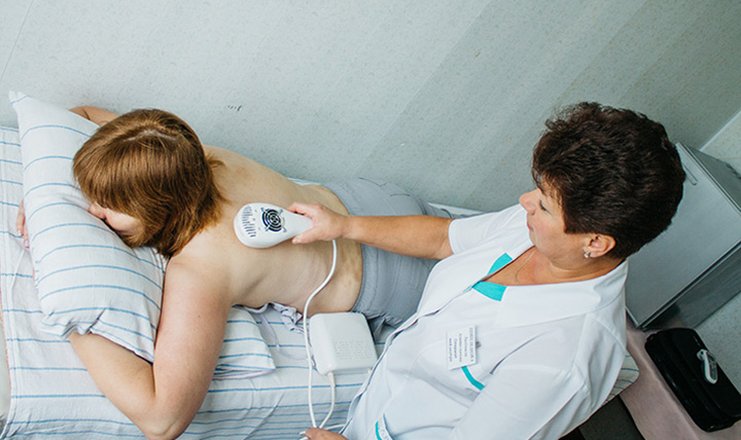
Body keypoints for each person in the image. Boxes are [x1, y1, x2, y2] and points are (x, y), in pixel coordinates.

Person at [16, 106, 452, 439]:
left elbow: (163, 421)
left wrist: (74, 318)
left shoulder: (202, 269)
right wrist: (38, 200)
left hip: (400, 275)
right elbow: (84, 112)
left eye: (106, 206)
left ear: (156, 210)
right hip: (377, 199)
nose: (92, 211)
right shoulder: (184, 154)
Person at [293, 102, 686, 439]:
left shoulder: (564, 362)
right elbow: (444, 238)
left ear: (595, 243)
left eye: (544, 204)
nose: (525, 201)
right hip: (376, 403)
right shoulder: (533, 228)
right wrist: (342, 225)